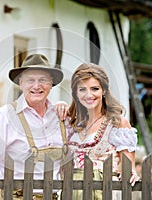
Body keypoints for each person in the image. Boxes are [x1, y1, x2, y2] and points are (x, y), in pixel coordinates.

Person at [0, 54, 67, 199]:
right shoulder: (5, 116)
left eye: (43, 80)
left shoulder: (62, 118)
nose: (36, 86)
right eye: (30, 80)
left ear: (51, 84)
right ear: (21, 83)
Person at [56, 63, 140, 199]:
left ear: (104, 91)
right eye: (82, 89)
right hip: (72, 192)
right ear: (75, 93)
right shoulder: (71, 123)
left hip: (104, 192)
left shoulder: (117, 123)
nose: (89, 95)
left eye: (94, 89)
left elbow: (127, 168)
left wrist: (131, 171)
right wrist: (57, 105)